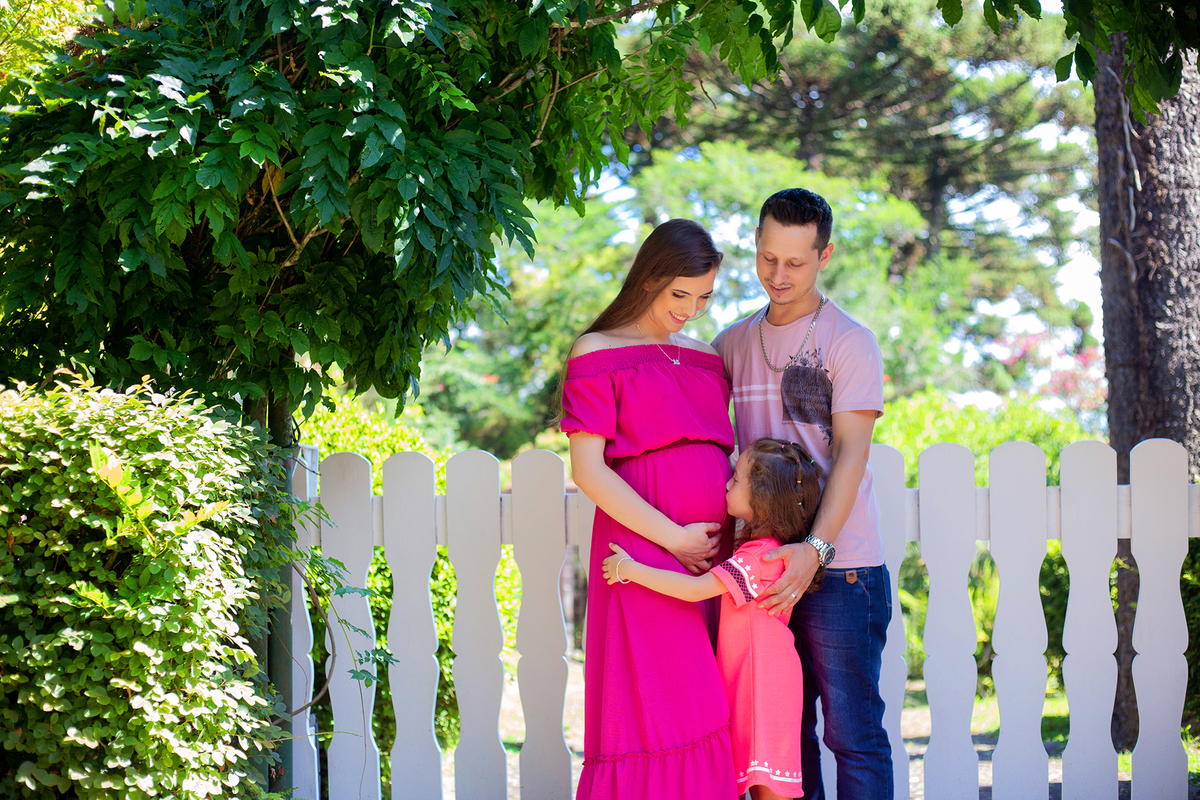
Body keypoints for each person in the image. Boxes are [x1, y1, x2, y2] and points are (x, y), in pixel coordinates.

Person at [711, 188, 893, 800]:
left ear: (824, 256)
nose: (778, 275)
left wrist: (815, 547)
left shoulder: (851, 341)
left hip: (841, 568)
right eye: (768, 259)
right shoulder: (730, 344)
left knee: (853, 734)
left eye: (795, 262)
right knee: (782, 740)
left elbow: (850, 456)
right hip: (761, 572)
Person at [560, 218, 739, 799]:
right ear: (648, 281)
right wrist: (674, 539)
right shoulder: (597, 351)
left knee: (713, 706)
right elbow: (588, 471)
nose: (690, 310)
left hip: (714, 556)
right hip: (641, 551)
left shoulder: (707, 357)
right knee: (663, 712)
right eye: (678, 295)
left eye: (704, 297)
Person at [600, 438, 825, 800]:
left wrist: (630, 569)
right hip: (755, 679)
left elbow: (693, 590)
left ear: (761, 497)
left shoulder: (759, 559)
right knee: (757, 785)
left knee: (768, 788)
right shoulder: (762, 551)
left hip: (762, 686)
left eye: (736, 480)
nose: (726, 484)